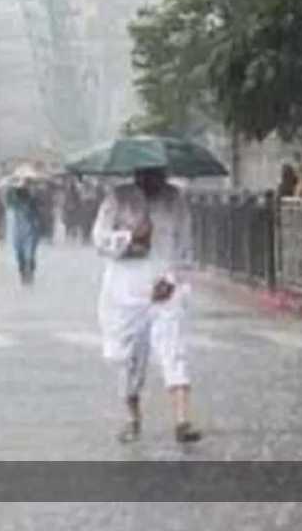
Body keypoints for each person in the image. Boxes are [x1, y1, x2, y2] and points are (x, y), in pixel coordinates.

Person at [93, 167, 202, 444]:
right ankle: (133, 418)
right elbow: (100, 239)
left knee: (173, 348)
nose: (153, 180)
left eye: (158, 175)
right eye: (146, 175)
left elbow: (185, 247)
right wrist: (130, 238)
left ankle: (182, 420)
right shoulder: (117, 199)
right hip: (125, 291)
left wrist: (172, 278)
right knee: (129, 358)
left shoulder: (175, 200)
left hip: (165, 288)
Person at [4, 178, 43, 285]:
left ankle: (29, 278)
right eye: (19, 191)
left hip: (30, 234)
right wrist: (11, 186)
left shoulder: (32, 203)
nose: (20, 193)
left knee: (29, 257)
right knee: (21, 258)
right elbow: (8, 198)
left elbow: (37, 217)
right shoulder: (14, 204)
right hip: (19, 235)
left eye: (22, 191)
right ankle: (24, 279)